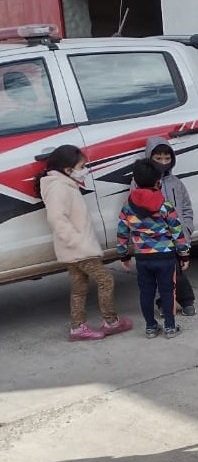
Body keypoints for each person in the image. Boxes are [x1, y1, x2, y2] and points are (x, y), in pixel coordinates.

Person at [37, 145, 133, 341]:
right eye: (81, 166)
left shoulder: (63, 184)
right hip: (79, 249)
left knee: (79, 288)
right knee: (105, 280)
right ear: (67, 169)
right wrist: (77, 241)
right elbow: (57, 219)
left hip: (73, 249)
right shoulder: (59, 187)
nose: (85, 170)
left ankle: (78, 327)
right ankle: (111, 321)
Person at [116, 159, 191, 338]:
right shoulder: (165, 206)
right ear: (158, 182)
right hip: (165, 257)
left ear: (135, 181)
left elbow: (122, 232)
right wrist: (184, 255)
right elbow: (177, 231)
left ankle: (150, 327)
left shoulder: (127, 208)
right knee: (167, 291)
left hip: (143, 258)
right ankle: (170, 327)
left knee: (146, 292)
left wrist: (123, 255)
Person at [142, 137, 197, 315]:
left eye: (167, 158)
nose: (163, 162)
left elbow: (186, 208)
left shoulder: (176, 183)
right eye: (158, 158)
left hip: (178, 236)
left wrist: (186, 228)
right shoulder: (140, 183)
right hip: (157, 239)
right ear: (149, 157)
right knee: (162, 273)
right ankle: (166, 303)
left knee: (177, 270)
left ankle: (186, 301)